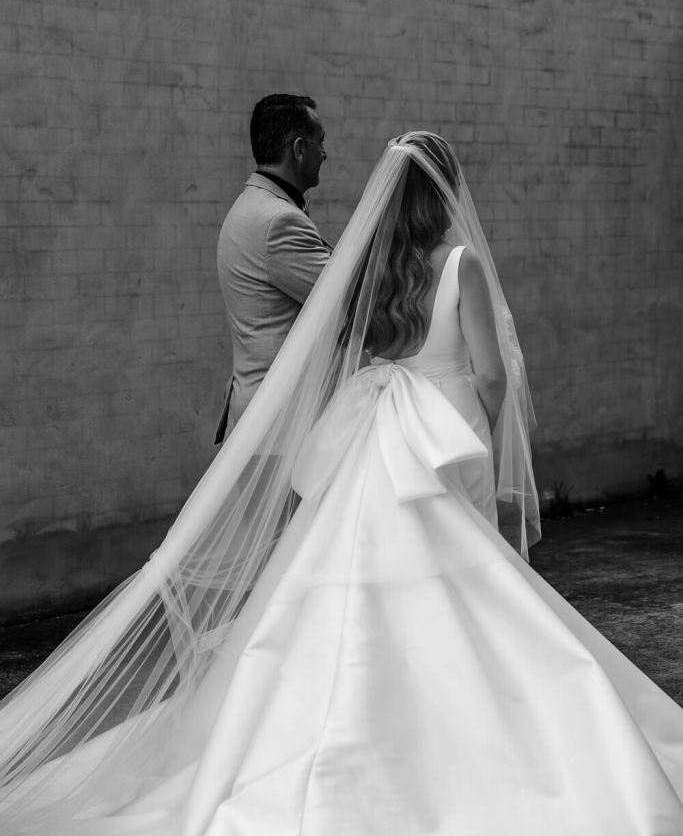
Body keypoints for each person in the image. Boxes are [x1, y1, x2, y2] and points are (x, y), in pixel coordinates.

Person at [1, 133, 682, 834]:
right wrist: (484, 431)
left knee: (348, 571)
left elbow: (348, 354)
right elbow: (487, 373)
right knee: (464, 579)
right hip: (442, 440)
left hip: (373, 431)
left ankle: (333, 724)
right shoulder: (459, 263)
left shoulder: (365, 270)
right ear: (443, 193)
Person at [215, 93, 331, 442]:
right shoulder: (279, 221)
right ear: (299, 148)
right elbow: (351, 296)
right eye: (320, 142)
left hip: (261, 413)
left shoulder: (253, 205)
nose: (325, 153)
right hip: (281, 425)